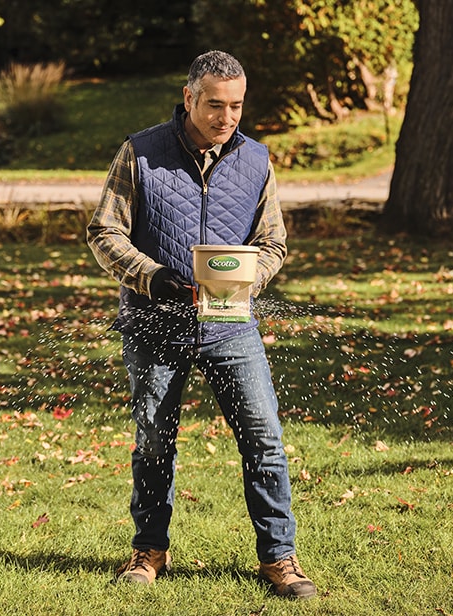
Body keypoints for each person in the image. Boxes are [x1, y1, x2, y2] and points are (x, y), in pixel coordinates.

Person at [86, 50, 316, 600]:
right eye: (215, 104)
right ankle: (149, 550)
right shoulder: (141, 153)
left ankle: (280, 558)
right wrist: (155, 277)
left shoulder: (256, 160)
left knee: (264, 438)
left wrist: (246, 277)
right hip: (153, 325)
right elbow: (105, 232)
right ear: (189, 98)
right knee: (154, 442)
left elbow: (273, 242)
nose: (227, 117)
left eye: (237, 106)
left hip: (231, 328)